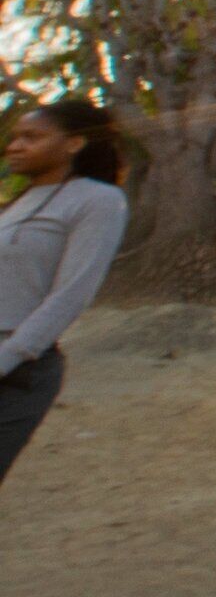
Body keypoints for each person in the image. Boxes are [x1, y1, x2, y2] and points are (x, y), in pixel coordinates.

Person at [0, 99, 131, 488]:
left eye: (32, 137)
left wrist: (7, 358)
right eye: (14, 137)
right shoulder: (18, 203)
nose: (15, 146)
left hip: (18, 369)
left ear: (74, 143)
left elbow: (72, 294)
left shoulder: (98, 200)